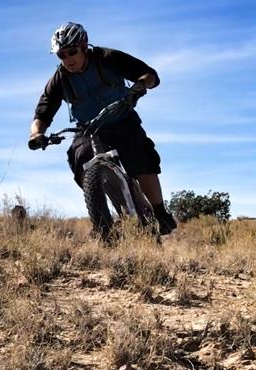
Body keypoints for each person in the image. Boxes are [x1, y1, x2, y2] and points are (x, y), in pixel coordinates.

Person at [28, 22, 177, 236]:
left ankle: (160, 213)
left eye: (72, 52)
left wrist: (139, 87)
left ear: (84, 45)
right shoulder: (60, 79)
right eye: (62, 55)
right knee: (78, 156)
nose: (68, 59)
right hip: (89, 129)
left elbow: (150, 75)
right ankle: (102, 219)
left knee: (141, 156)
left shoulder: (107, 58)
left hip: (121, 119)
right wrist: (36, 134)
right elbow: (43, 112)